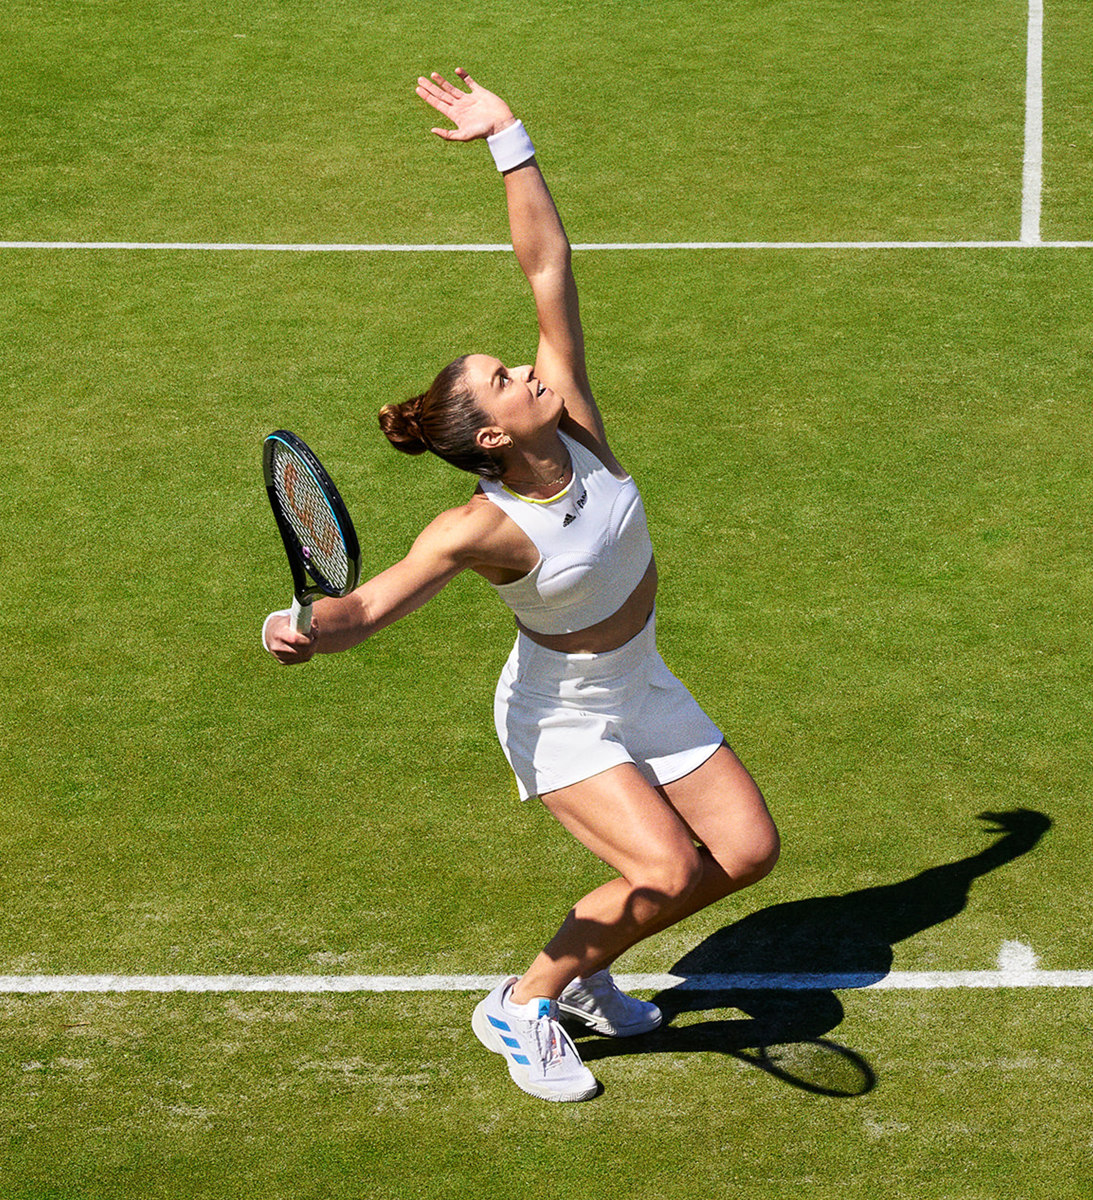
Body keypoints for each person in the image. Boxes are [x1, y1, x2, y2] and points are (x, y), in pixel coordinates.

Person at [263, 68, 780, 1102]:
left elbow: (547, 264)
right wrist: (303, 626)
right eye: (506, 378)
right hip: (562, 716)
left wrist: (511, 138)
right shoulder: (482, 529)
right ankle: (522, 1001)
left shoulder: (574, 419)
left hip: (642, 678)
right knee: (667, 871)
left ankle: (585, 979)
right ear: (495, 435)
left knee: (748, 850)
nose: (529, 370)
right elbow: (368, 608)